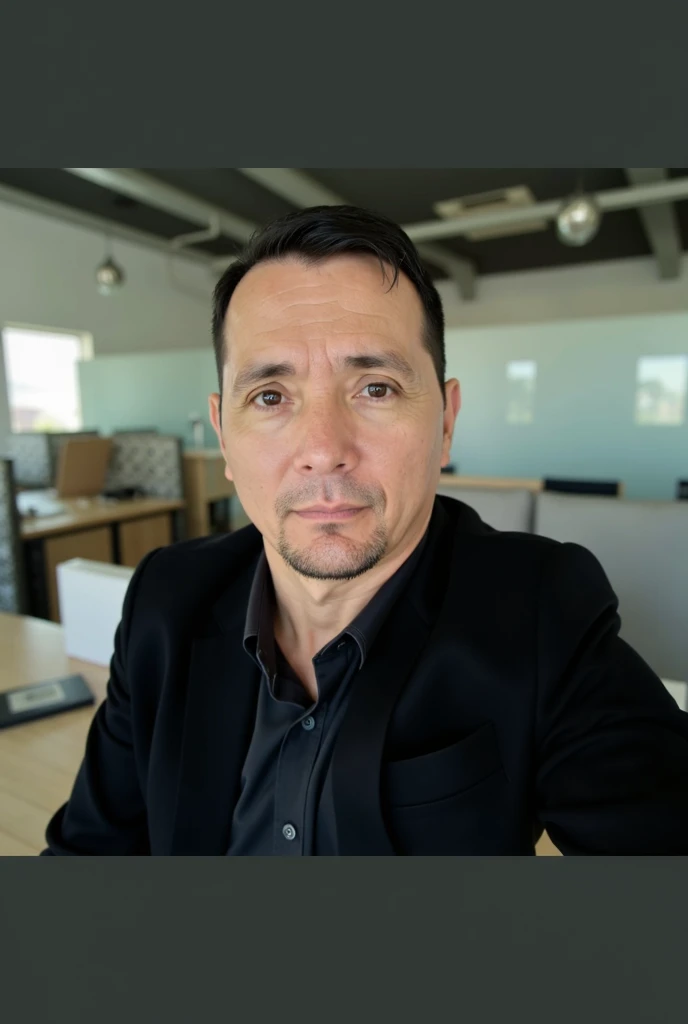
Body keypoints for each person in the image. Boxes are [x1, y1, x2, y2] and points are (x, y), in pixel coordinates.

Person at [42, 205, 688, 856]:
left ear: (445, 423)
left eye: (375, 388)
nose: (323, 448)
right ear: (223, 438)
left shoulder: (542, 612)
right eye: (270, 396)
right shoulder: (166, 601)